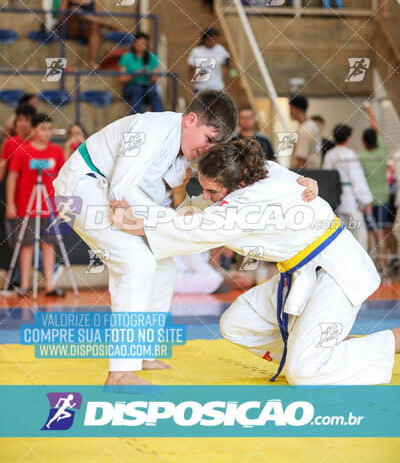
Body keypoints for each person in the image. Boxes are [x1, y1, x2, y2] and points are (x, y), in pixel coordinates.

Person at [111, 139, 397, 385]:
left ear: (240, 184)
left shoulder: (245, 206)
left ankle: (391, 341)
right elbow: (201, 214)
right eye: (205, 189)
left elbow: (196, 226)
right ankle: (319, 349)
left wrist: (137, 225)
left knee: (304, 373)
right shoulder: (264, 172)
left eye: (212, 192)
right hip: (303, 272)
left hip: (337, 271)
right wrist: (176, 197)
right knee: (237, 324)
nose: (206, 196)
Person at [53, 90, 239, 386]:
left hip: (109, 194)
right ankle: (120, 372)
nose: (208, 149)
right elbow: (121, 191)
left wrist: (174, 221)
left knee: (164, 264)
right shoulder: (150, 130)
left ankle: (141, 353)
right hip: (82, 186)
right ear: (191, 120)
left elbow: (163, 203)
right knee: (136, 261)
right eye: (208, 139)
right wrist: (167, 221)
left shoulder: (182, 155)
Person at [6, 113, 66, 297]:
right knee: (27, 246)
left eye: (50, 129)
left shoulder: (56, 151)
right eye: (43, 128)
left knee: (49, 245)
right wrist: (10, 204)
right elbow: (13, 177)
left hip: (49, 206)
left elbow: (63, 178)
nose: (47, 133)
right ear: (33, 130)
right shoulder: (22, 150)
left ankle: (49, 286)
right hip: (27, 206)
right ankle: (24, 285)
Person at [323, 123, 372, 250]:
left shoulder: (329, 155)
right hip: (350, 198)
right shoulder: (351, 154)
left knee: (337, 236)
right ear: (348, 138)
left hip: (334, 199)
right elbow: (357, 179)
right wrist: (366, 201)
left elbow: (326, 178)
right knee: (359, 234)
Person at [59, 0, 117, 69]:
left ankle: (92, 61)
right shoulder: (66, 1)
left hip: (87, 30)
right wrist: (76, 14)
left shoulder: (93, 2)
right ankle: (108, 25)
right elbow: (61, 18)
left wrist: (84, 16)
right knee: (74, 10)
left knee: (94, 26)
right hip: (72, 28)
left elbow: (99, 19)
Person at [359, 103, 391, 276]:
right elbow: (376, 130)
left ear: (364, 142)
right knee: (381, 233)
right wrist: (370, 110)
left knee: (370, 234)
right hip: (384, 197)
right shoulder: (382, 151)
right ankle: (385, 268)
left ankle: (371, 269)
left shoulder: (361, 157)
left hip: (369, 200)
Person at [118, 32, 163, 115]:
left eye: (144, 44)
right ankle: (135, 119)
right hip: (131, 88)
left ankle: (159, 118)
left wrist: (148, 73)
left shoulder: (152, 57)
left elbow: (156, 79)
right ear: (134, 44)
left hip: (147, 88)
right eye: (139, 43)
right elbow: (121, 79)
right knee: (137, 90)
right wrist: (135, 74)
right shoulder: (126, 57)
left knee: (153, 91)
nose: (141, 46)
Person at [188, 28, 233, 93]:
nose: (213, 42)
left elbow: (228, 61)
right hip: (201, 88)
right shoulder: (196, 51)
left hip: (217, 88)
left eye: (215, 39)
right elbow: (191, 69)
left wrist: (231, 70)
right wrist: (192, 81)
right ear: (204, 39)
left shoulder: (220, 49)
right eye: (211, 39)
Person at [0, 104, 36, 183]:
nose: (23, 124)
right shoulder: (9, 142)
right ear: (16, 122)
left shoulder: (38, 143)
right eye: (20, 120)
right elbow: (2, 167)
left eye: (27, 120)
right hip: (11, 184)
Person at [289, 95, 322, 169]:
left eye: (291, 108)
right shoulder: (312, 125)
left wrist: (295, 177)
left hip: (305, 174)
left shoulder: (304, 130)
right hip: (314, 173)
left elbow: (301, 159)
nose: (290, 112)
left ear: (296, 109)